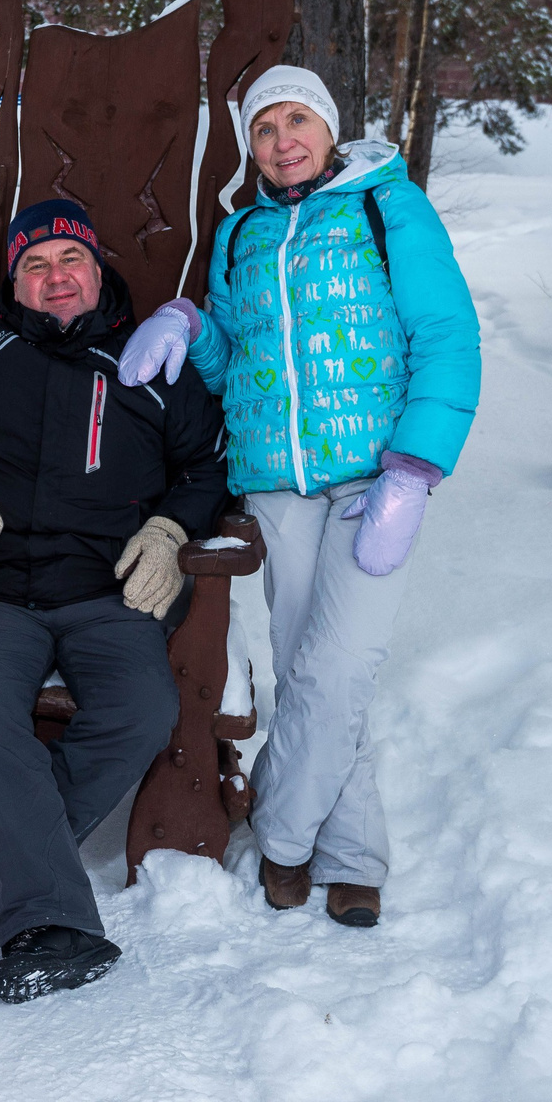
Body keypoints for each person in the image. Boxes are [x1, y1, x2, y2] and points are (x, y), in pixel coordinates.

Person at [118, 66, 481, 929]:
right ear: (252, 146)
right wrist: (192, 327)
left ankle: (283, 838)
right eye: (265, 128)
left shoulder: (387, 207)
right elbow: (235, 356)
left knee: (338, 664)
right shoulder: (241, 233)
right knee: (307, 671)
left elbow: (447, 333)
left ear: (327, 126)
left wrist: (414, 469)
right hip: (278, 484)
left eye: (296, 120)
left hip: (372, 477)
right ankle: (352, 857)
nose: (283, 140)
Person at [0, 199, 227, 1004]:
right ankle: (47, 924)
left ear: (97, 267)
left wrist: (175, 528)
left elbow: (209, 464)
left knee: (143, 706)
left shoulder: (147, 360)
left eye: (68, 259)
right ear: (15, 280)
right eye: (34, 265)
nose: (54, 277)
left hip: (109, 589)